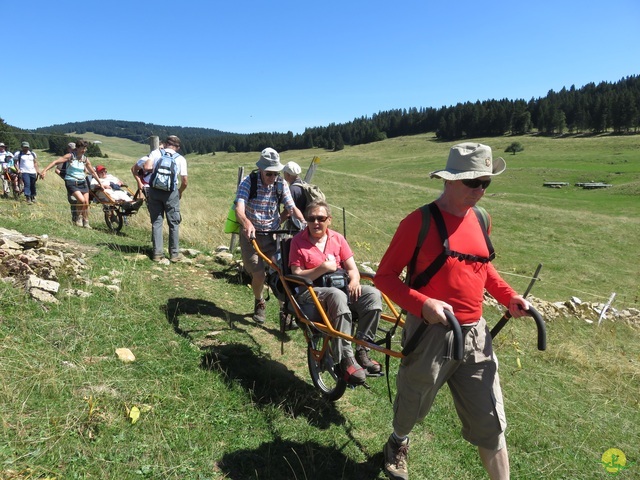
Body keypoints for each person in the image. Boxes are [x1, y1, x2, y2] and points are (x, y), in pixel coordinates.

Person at [374, 143, 531, 480]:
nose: (479, 191)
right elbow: (385, 278)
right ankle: (398, 441)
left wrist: (509, 297)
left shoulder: (481, 219)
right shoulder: (419, 222)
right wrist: (422, 304)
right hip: (429, 332)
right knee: (413, 400)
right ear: (449, 180)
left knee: (490, 420)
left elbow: (484, 270)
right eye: (472, 182)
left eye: (485, 183)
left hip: (476, 335)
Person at [289, 200, 382, 384]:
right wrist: (322, 268)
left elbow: (352, 269)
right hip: (311, 291)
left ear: (329, 220)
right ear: (306, 220)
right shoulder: (298, 241)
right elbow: (296, 274)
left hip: (340, 287)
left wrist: (355, 280)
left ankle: (362, 348)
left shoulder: (338, 239)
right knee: (336, 295)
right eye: (311, 218)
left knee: (372, 294)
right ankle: (345, 358)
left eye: (321, 218)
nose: (316, 222)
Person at [234, 147, 306, 324]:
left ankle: (285, 310)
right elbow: (239, 208)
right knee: (259, 275)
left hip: (273, 235)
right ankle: (259, 301)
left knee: (282, 272)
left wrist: (304, 224)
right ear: (260, 169)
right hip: (251, 236)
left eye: (275, 173)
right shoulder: (248, 182)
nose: (272, 178)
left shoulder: (281, 184)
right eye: (269, 174)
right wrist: (247, 222)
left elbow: (291, 208)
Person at [143, 135, 188, 262]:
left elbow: (146, 167)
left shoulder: (156, 153)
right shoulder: (180, 159)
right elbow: (184, 181)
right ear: (177, 147)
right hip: (171, 193)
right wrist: (180, 191)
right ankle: (174, 254)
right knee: (173, 223)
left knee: (157, 222)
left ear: (166, 143)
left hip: (154, 190)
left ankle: (157, 253)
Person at [41, 139, 100, 228]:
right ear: (77, 148)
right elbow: (55, 162)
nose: (84, 150)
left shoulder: (85, 159)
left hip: (82, 182)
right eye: (82, 148)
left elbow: (92, 172)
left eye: (85, 148)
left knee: (86, 203)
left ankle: (86, 221)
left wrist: (100, 183)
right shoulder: (70, 156)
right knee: (81, 200)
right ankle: (79, 218)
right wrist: (44, 170)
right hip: (71, 181)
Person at [282, 161, 307, 230]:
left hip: (297, 225)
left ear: (288, 175)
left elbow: (287, 212)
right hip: (305, 223)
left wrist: (276, 223)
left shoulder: (292, 189)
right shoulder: (304, 184)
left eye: (284, 173)